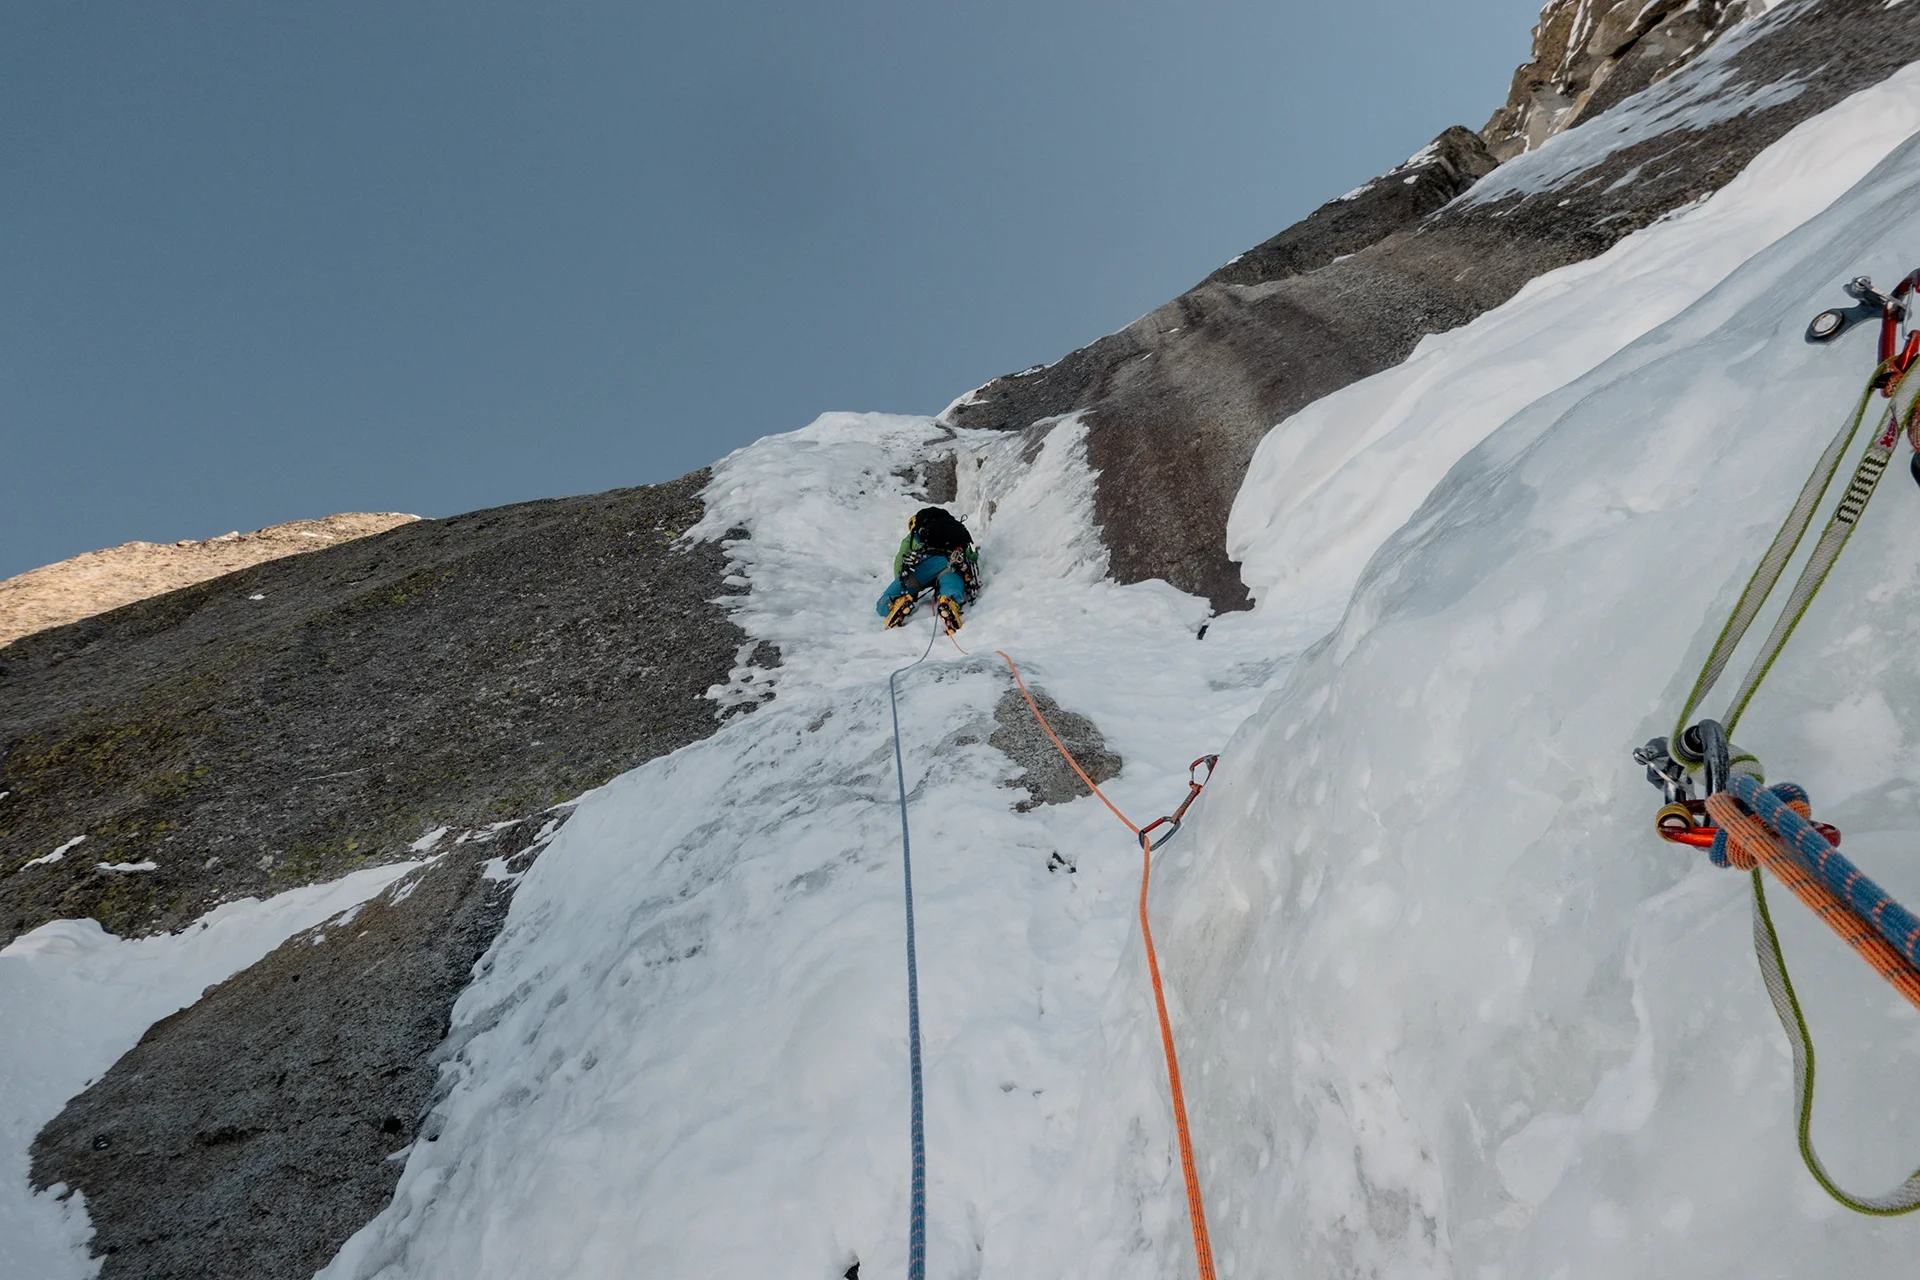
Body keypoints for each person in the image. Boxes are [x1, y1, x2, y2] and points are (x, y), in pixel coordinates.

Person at [876, 506, 980, 633]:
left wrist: (903, 582)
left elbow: (900, 559)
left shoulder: (914, 536)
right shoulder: (953, 532)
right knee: (951, 585)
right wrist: (976, 555)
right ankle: (949, 602)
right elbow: (970, 556)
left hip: (924, 564)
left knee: (885, 600)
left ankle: (895, 602)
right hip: (950, 563)